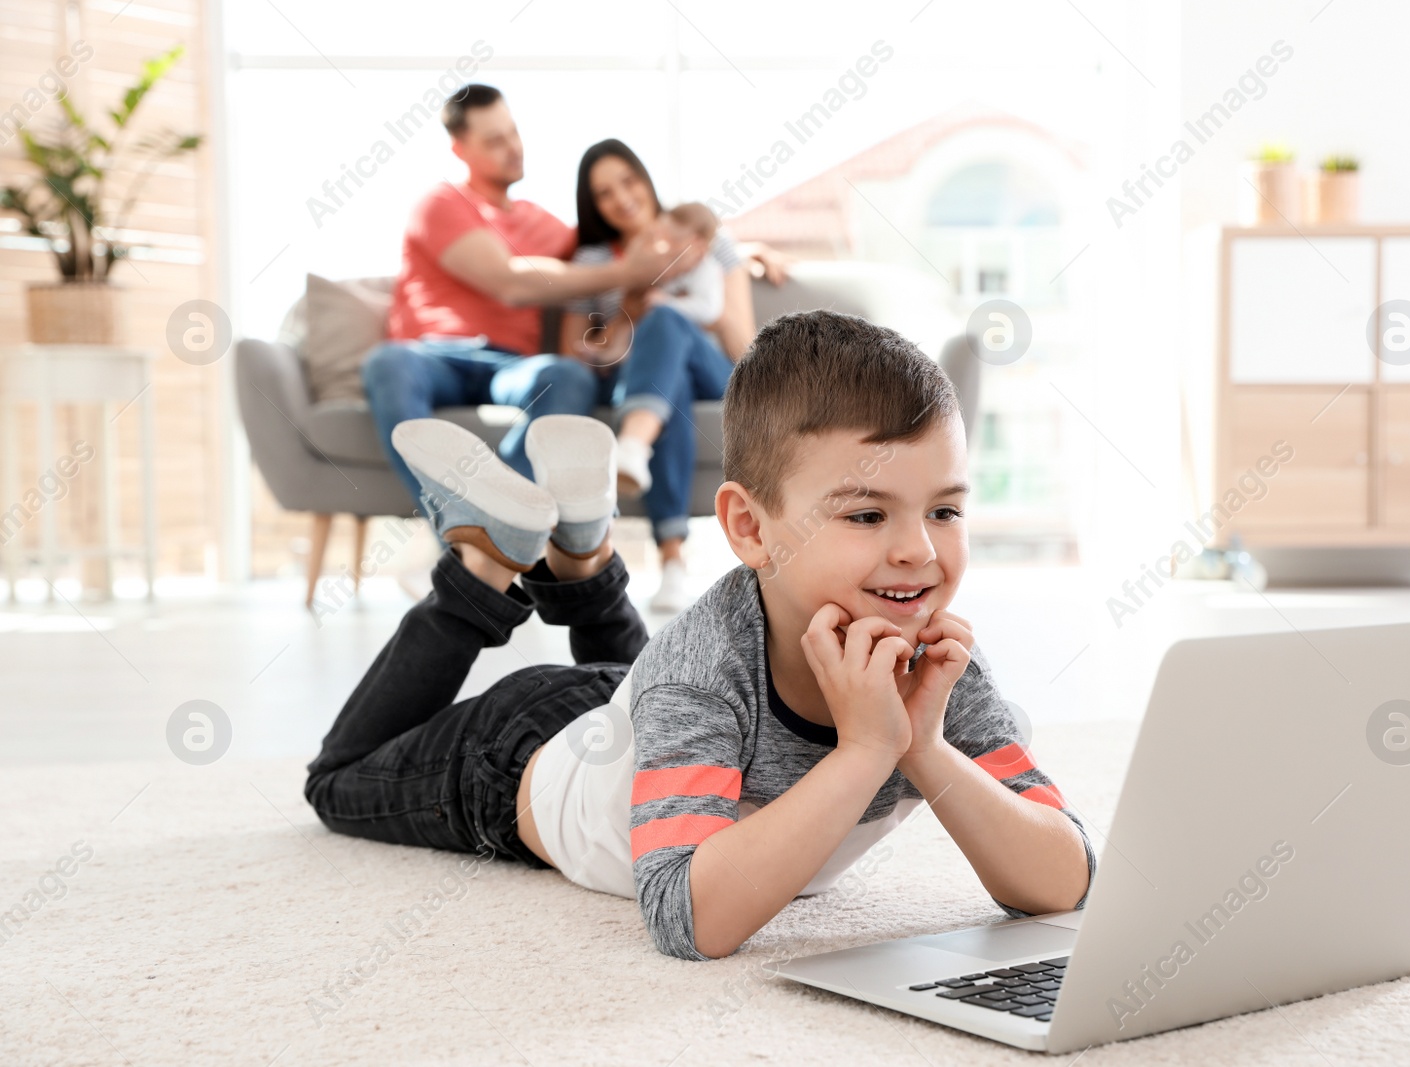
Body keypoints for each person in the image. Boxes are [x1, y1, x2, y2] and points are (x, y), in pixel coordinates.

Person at [304, 311, 1096, 971]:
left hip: (629, 715)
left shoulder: (937, 663)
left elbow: (1065, 878)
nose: (919, 551)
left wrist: (924, 746)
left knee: (641, 682)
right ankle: (486, 562)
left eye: (945, 511)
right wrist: (864, 751)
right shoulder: (702, 672)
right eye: (865, 514)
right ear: (750, 527)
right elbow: (685, 918)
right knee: (338, 782)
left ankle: (581, 551)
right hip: (515, 756)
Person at [361, 85, 702, 521]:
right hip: (434, 356)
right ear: (460, 149)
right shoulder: (441, 204)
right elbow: (509, 282)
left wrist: (733, 247)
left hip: (512, 366)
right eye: (494, 141)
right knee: (386, 363)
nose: (513, 148)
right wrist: (626, 274)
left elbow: (623, 230)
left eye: (513, 132)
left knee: (566, 375)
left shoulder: (545, 225)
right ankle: (462, 532)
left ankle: (505, 523)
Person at [560, 140, 768, 614]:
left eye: (627, 181)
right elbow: (575, 355)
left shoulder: (707, 239)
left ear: (645, 179)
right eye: (604, 193)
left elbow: (745, 347)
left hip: (713, 371)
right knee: (665, 389)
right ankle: (673, 566)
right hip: (642, 378)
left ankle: (634, 444)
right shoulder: (595, 262)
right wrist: (631, 302)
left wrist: (695, 280)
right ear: (595, 205)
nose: (621, 198)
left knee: (669, 322)